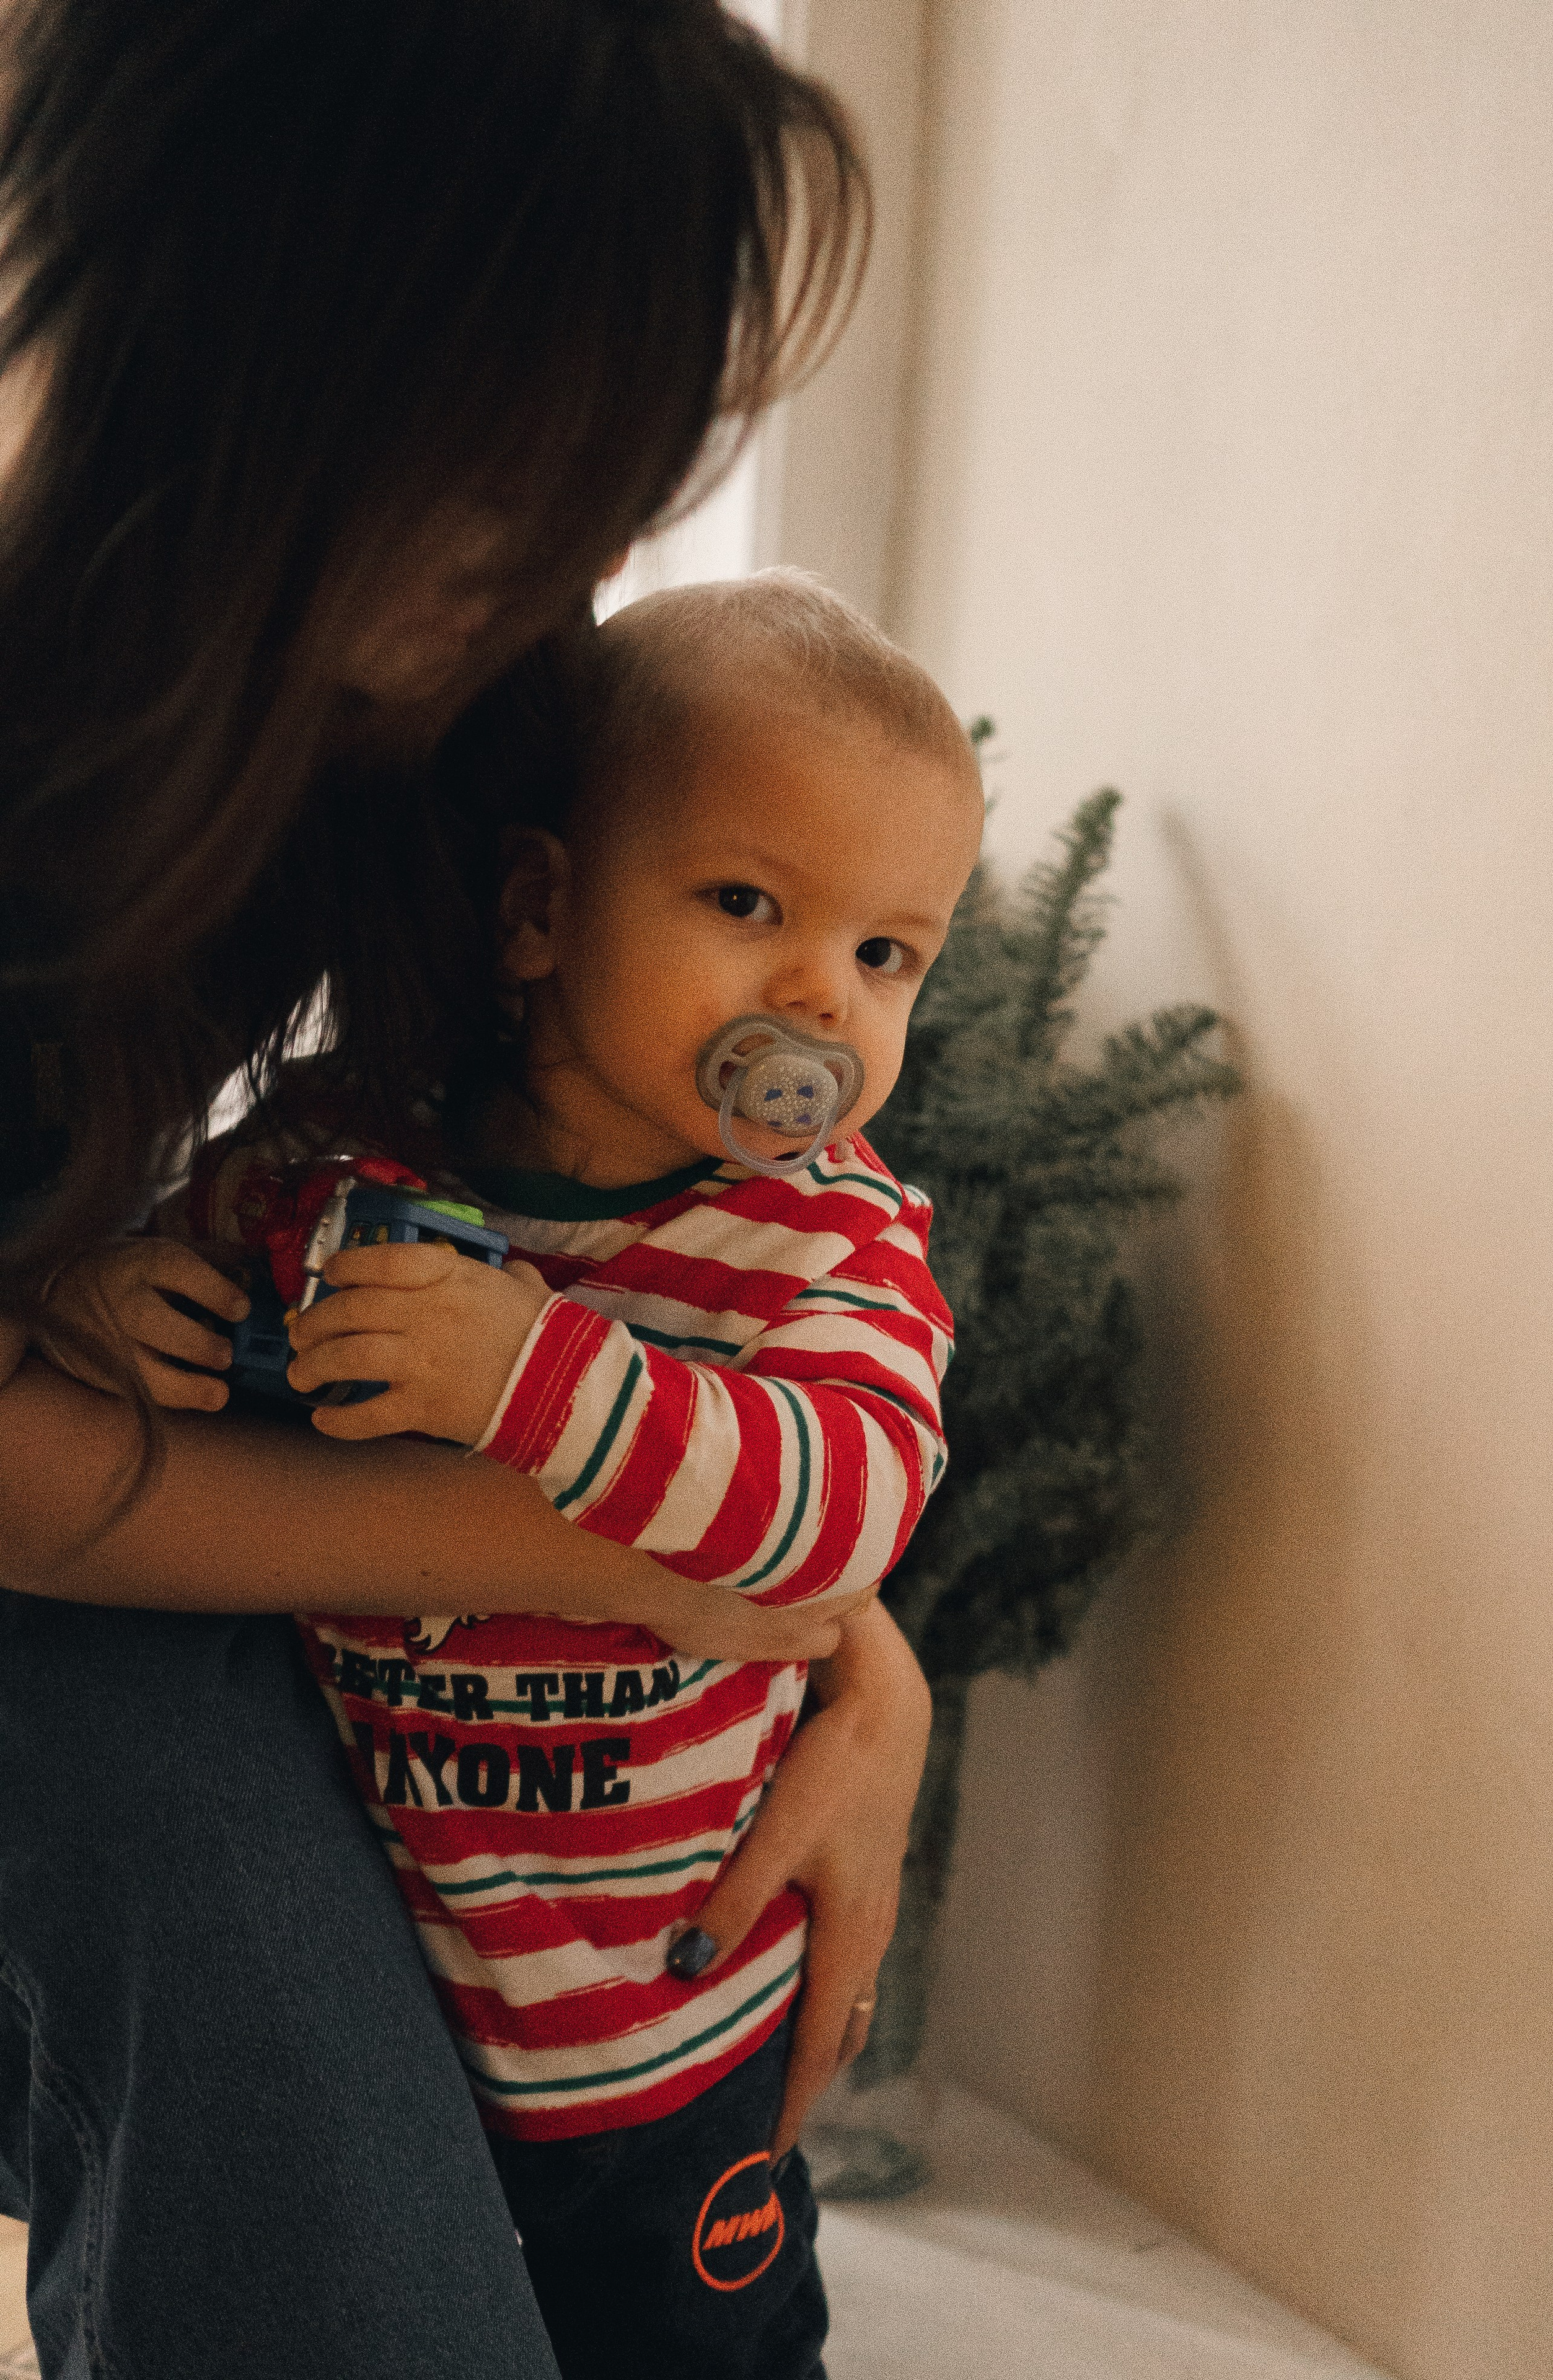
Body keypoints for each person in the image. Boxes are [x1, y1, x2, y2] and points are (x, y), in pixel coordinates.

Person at [0, 9, 931, 2379]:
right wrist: (652, 1573)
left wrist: (848, 1644)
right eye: (541, 454)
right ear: (287, 346)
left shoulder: (440, 716)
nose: (591, 551)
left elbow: (562, 1230)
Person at [58, 573, 982, 2379]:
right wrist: (111, 1293)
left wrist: (534, 1372)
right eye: (746, 906)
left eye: (888, 956)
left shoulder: (829, 1242)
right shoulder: (335, 1157)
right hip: (378, 1994)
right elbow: (185, 1294)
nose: (821, 999)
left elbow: (837, 1505)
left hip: (669, 2053)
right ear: (544, 907)